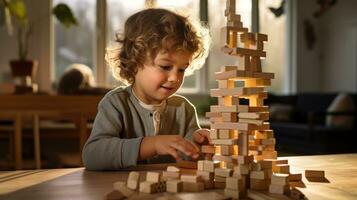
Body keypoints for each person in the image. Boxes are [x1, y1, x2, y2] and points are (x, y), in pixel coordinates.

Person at [82, 8, 210, 170]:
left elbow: (191, 159)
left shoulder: (184, 110)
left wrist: (200, 146)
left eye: (182, 69)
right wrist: (151, 145)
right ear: (134, 62)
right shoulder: (115, 104)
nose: (174, 77)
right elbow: (93, 155)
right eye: (165, 66)